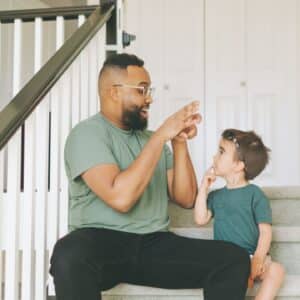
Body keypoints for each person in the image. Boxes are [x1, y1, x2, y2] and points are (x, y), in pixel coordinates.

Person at [49, 53, 250, 300]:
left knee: (234, 259)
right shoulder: (86, 135)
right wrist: (160, 136)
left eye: (149, 90)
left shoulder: (153, 141)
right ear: (114, 92)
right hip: (102, 242)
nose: (149, 99)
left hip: (155, 245)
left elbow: (186, 199)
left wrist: (177, 142)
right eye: (141, 90)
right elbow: (121, 198)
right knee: (68, 254)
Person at [194, 128, 285, 300]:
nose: (214, 157)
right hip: (226, 261)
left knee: (277, 270)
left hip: (252, 257)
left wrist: (258, 259)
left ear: (238, 165)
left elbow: (265, 232)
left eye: (221, 152)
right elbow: (200, 219)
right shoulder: (216, 196)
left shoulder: (255, 194)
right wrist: (203, 189)